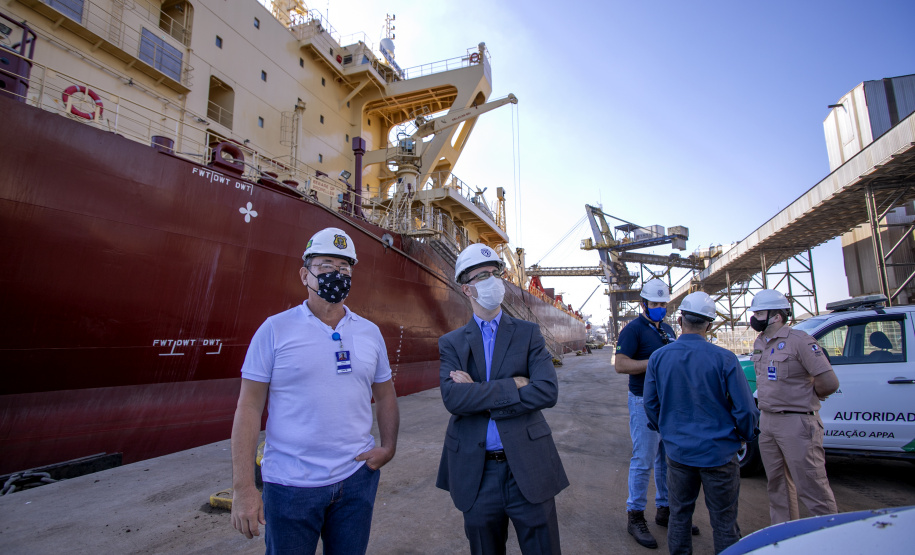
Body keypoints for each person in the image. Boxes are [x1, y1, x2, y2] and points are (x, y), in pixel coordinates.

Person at [229, 227, 400, 554]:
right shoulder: (274, 330)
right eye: (325, 266)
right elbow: (249, 407)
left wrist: (388, 447)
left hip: (355, 482)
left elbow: (386, 394)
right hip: (290, 487)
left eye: (344, 268)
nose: (336, 274)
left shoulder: (370, 332)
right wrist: (244, 488)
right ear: (305, 274)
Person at [437, 243, 569, 555]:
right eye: (482, 276)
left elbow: (547, 391)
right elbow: (454, 399)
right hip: (477, 471)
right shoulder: (452, 343)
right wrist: (514, 385)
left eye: (495, 273)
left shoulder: (528, 333)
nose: (492, 280)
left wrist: (478, 393)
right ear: (467, 289)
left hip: (528, 465)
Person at [644, 292, 759, 554]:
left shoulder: (659, 358)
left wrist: (668, 431)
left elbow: (650, 405)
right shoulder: (725, 359)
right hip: (719, 453)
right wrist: (743, 436)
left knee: (680, 517)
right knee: (724, 522)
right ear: (709, 324)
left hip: (679, 452)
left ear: (680, 319)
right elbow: (746, 410)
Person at [615, 278, 698, 548]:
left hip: (669, 403)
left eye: (663, 303)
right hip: (642, 401)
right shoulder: (633, 330)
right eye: (655, 303)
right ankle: (635, 515)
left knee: (666, 459)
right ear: (644, 304)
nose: (660, 307)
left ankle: (665, 509)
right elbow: (620, 365)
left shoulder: (670, 330)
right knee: (643, 459)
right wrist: (653, 363)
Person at [750, 289, 839, 525]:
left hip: (797, 422)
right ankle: (785, 536)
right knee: (777, 486)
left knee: (812, 487)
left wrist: (801, 398)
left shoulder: (800, 341)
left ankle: (831, 538)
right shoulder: (760, 342)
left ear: (777, 316)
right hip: (768, 421)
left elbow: (829, 382)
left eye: (759, 312)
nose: (754, 317)